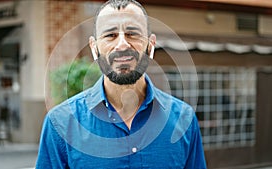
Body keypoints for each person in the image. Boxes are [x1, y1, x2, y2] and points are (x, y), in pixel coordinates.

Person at [36, 0, 207, 168]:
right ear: (94, 48)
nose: (122, 44)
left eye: (133, 34)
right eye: (110, 35)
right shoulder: (60, 124)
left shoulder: (184, 120)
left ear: (150, 44)